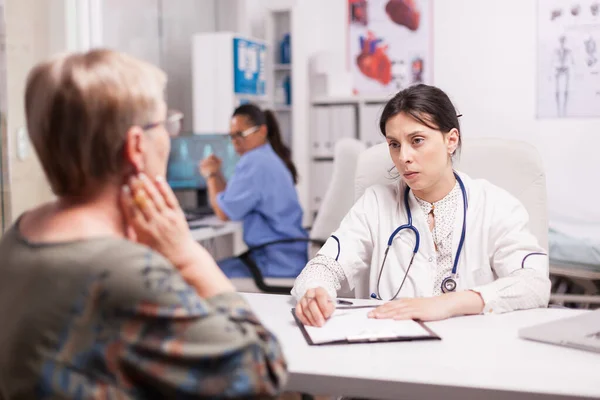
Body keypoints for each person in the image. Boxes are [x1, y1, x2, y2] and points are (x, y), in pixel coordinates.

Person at [0, 49, 287, 398]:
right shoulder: (127, 273)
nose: (170, 136)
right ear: (137, 146)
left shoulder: (16, 238)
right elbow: (263, 373)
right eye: (166, 125)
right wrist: (186, 254)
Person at [292, 84, 551, 327]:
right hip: (394, 348)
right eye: (394, 144)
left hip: (475, 353)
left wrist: (449, 304)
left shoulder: (495, 205)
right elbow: (323, 266)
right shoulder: (375, 204)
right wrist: (315, 291)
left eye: (417, 140)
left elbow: (534, 282)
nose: (403, 157)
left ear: (451, 140)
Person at [199, 104, 308, 279]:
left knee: (201, 275)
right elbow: (229, 198)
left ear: (262, 131)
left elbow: (224, 212)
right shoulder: (267, 157)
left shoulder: (255, 161)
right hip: (288, 258)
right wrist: (218, 173)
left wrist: (210, 174)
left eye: (240, 134)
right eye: (232, 136)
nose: (235, 141)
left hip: (273, 263)